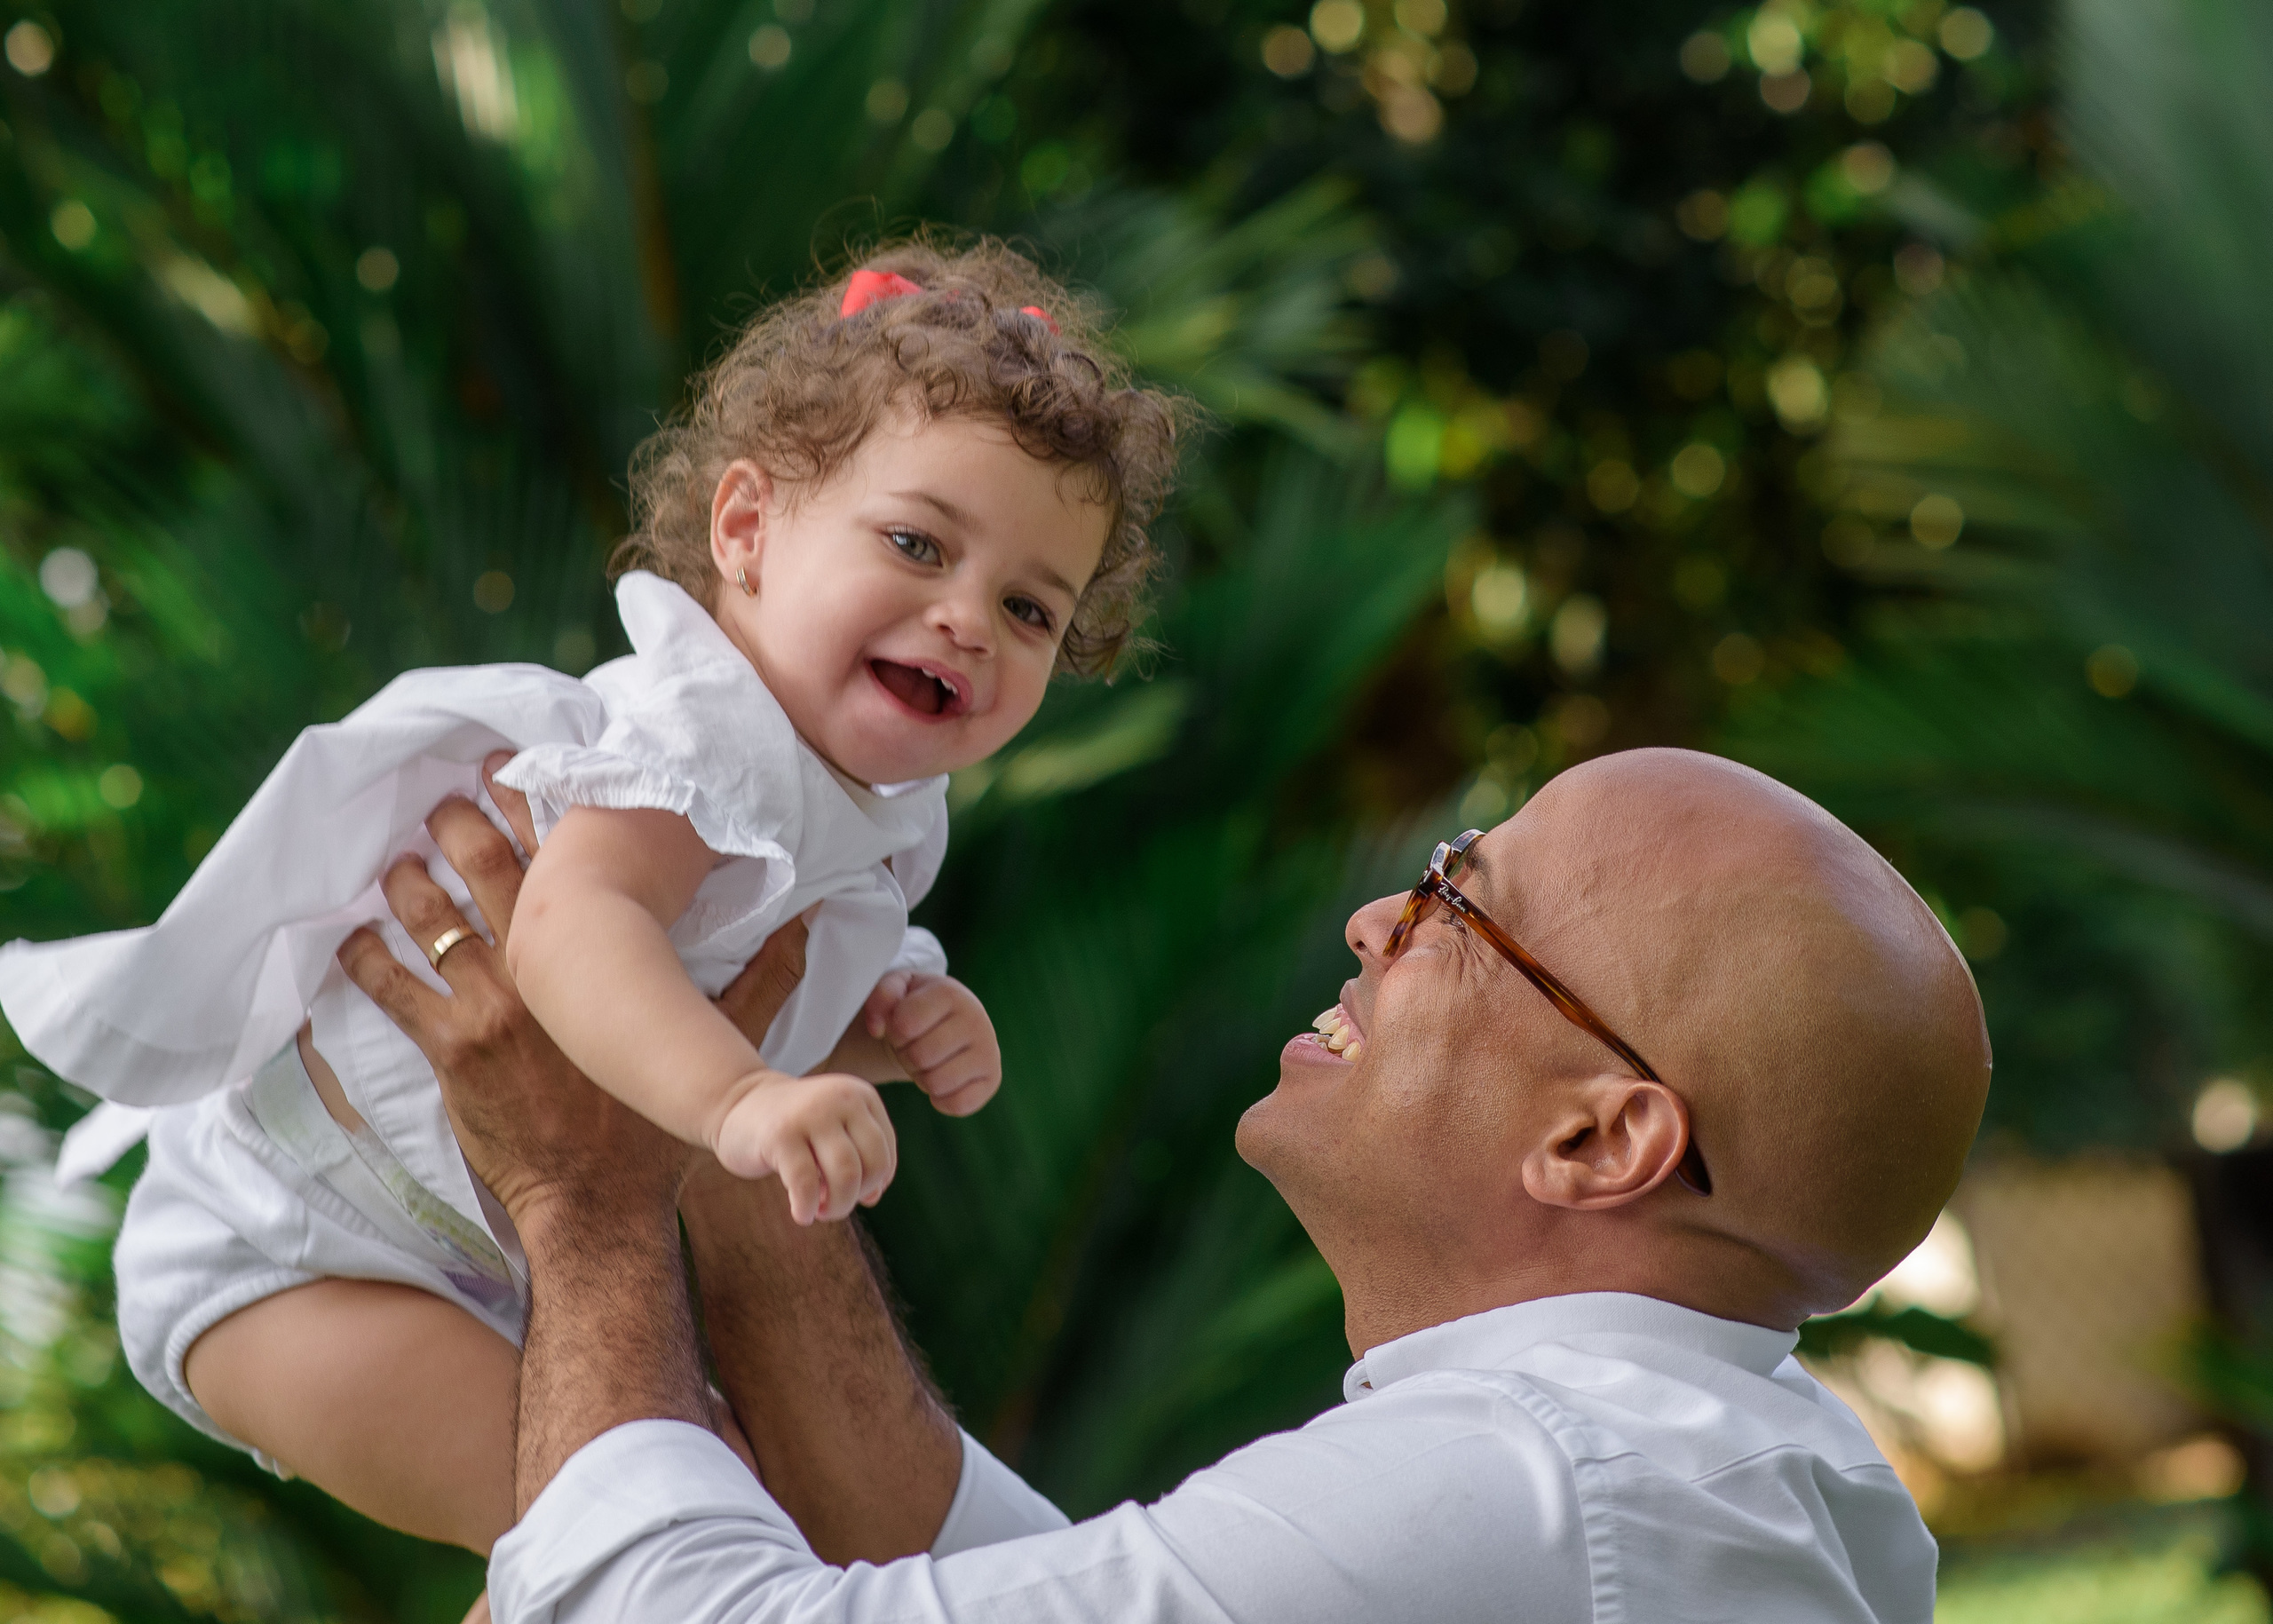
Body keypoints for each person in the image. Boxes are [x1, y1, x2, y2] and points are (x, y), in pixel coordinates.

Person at [0, 242, 1183, 1560]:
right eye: (917, 543)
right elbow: (575, 932)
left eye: (1029, 607)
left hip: (450, 1259)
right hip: (281, 1254)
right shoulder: (698, 731)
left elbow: (726, 987)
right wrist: (742, 1100)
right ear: (746, 529)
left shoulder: (874, 813)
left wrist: (877, 1030)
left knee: (677, 1526)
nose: (969, 618)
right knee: (637, 1529)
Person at [350, 745, 1991, 1622]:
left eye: (1454, 905)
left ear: (1595, 1140)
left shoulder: (1538, 1481)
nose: (1375, 922)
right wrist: (714, 1114)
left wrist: (579, 1192)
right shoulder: (1702, 1461)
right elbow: (1030, 1574)